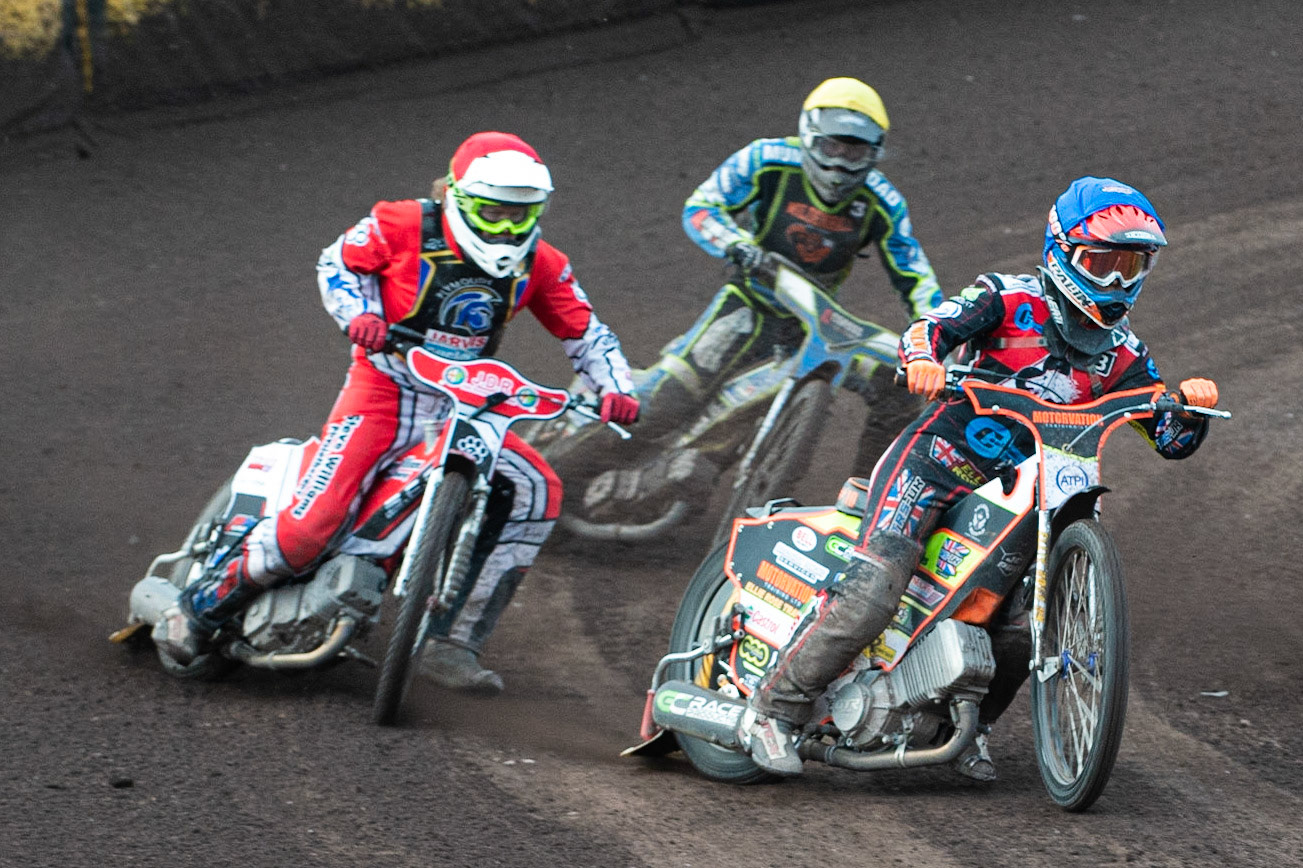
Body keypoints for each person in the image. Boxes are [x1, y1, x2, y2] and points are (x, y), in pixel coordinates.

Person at [737, 176, 1221, 776]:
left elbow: (1169, 440)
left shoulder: (1124, 356)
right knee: (873, 588)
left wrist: (1191, 410)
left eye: (1133, 265)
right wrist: (922, 362)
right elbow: (930, 328)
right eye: (1104, 262)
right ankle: (773, 709)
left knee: (1021, 623)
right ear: (1062, 252)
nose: (1119, 281)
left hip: (1024, 497)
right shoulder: (1007, 297)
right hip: (936, 464)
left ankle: (967, 729)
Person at [153, 131, 640, 694]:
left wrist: (616, 388)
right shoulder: (402, 223)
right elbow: (338, 262)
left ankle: (453, 642)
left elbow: (587, 333)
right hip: (383, 386)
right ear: (457, 195)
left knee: (537, 488)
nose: (508, 229)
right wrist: (357, 313)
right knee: (311, 528)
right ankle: (197, 609)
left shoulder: (543, 263)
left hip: (470, 405)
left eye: (523, 215)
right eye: (494, 213)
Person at [572, 76, 943, 516]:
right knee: (666, 401)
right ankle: (558, 462)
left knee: (895, 381)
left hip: (814, 327)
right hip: (747, 305)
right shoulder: (768, 159)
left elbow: (915, 275)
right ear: (809, 136)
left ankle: (868, 501)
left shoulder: (884, 202)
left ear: (875, 152)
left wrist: (938, 335)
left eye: (855, 152)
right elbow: (702, 207)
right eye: (831, 148)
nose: (841, 163)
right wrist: (737, 245)